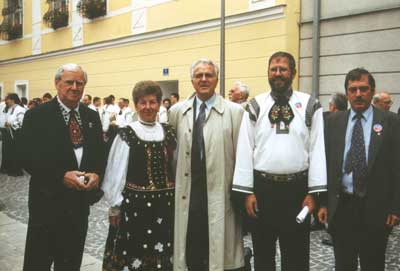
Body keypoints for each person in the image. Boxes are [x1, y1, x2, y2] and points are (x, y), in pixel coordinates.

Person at [232, 51, 327, 271]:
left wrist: (314, 195)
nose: (278, 73)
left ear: (293, 73)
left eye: (283, 69)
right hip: (263, 190)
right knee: (263, 254)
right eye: (273, 69)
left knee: (296, 255)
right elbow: (246, 148)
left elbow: (318, 149)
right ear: (268, 72)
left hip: (297, 191)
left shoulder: (310, 104)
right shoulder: (255, 105)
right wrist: (247, 192)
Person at [19, 63, 105, 271]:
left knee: (70, 263)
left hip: (78, 208)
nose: (75, 87)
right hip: (46, 206)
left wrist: (97, 175)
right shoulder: (37, 115)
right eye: (69, 82)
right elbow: (26, 158)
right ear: (57, 83)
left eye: (80, 83)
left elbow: (101, 156)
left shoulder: (91, 116)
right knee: (37, 263)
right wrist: (60, 176)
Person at [318, 68, 400, 271]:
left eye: (363, 89)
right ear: (347, 93)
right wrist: (323, 203)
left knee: (373, 264)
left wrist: (395, 207)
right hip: (342, 207)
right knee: (344, 265)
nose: (358, 94)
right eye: (352, 89)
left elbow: (397, 166)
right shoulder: (332, 123)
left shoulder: (390, 122)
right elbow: (325, 165)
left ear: (372, 91)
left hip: (376, 208)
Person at [169, 58, 245, 271]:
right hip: (188, 194)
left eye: (208, 75)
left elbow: (242, 158)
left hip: (221, 194)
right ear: (191, 80)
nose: (204, 79)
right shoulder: (176, 112)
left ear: (217, 79)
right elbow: (171, 153)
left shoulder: (235, 112)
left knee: (219, 252)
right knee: (190, 249)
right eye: (199, 75)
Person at [102, 80, 176, 271]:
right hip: (135, 208)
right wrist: (115, 206)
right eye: (143, 102)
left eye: (152, 102)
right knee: (134, 257)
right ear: (136, 105)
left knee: (163, 254)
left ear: (159, 104)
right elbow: (115, 172)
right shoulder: (127, 134)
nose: (148, 107)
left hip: (165, 207)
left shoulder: (168, 132)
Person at [3, 93, 26, 176]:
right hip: (10, 134)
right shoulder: (10, 109)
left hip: (17, 134)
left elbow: (22, 123)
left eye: (7, 99)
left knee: (17, 153)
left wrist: (11, 124)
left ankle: (17, 171)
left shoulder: (20, 109)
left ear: (12, 100)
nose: (6, 101)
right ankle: (12, 169)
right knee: (11, 153)